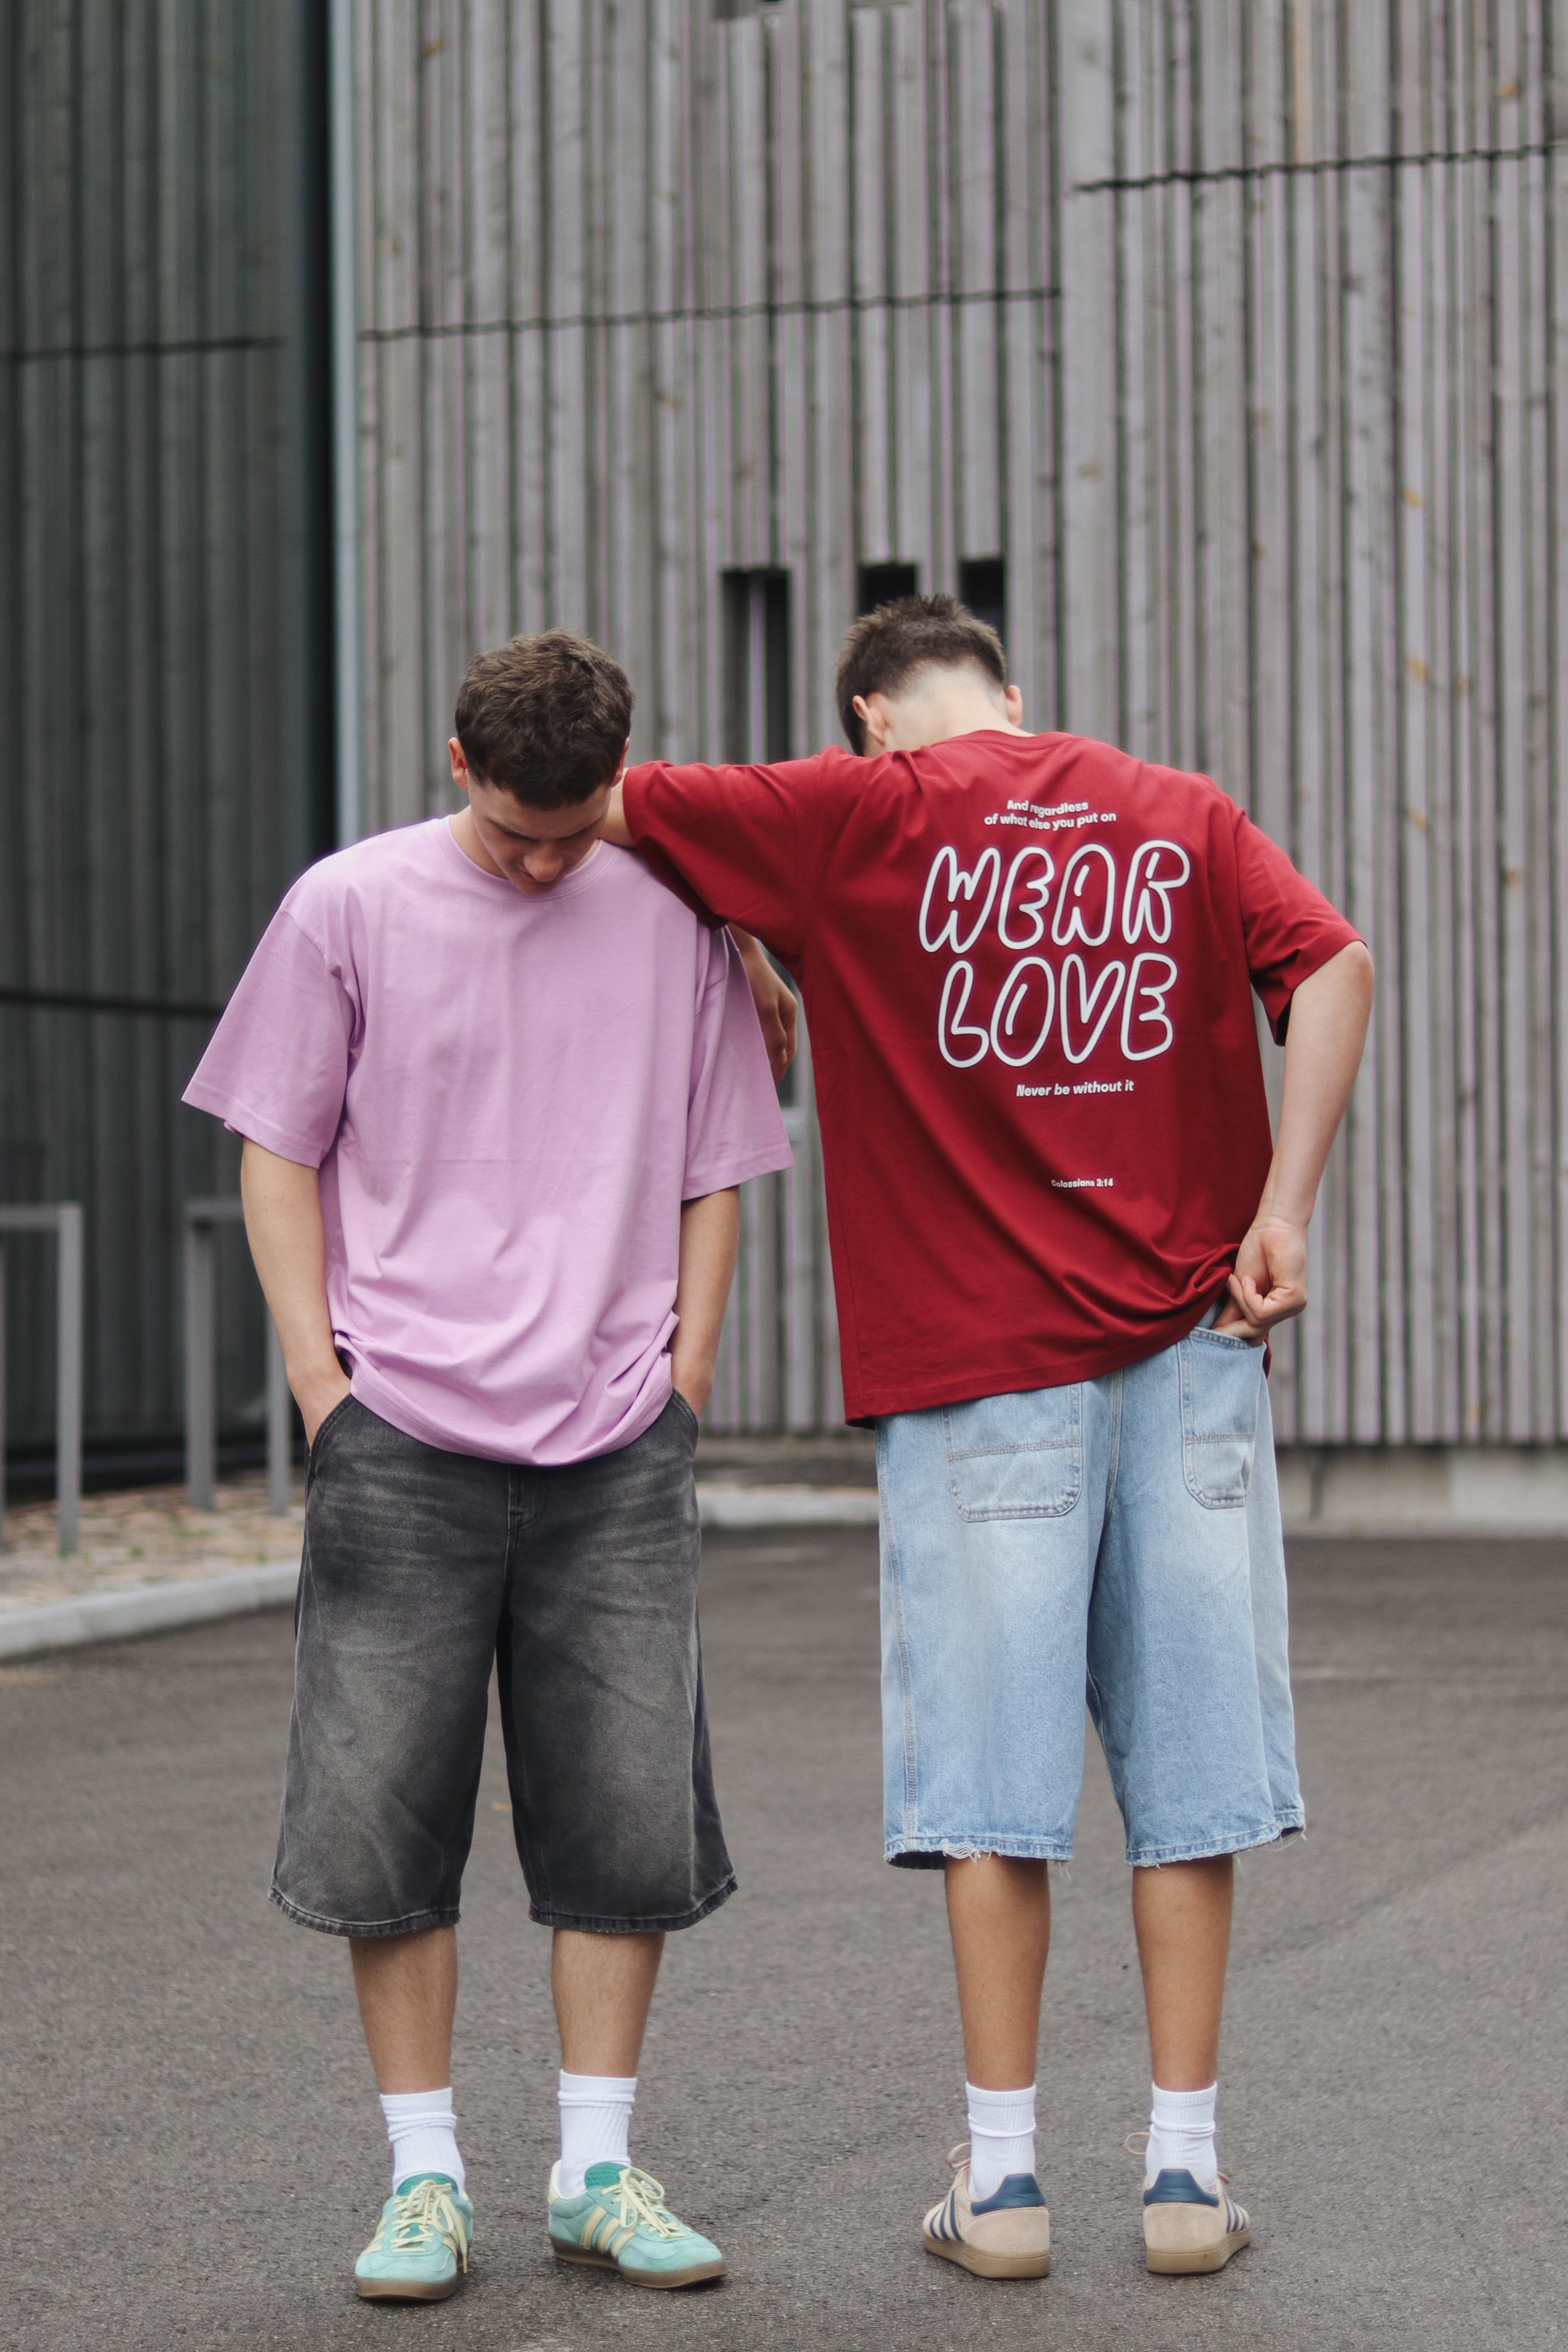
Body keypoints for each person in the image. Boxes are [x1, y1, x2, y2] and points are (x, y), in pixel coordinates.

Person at [603, 592, 1374, 2282]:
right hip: (1192, 1351)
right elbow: (1336, 966)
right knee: (1188, 1783)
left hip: (979, 1379)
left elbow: (599, 790)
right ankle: (1184, 2175)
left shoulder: (844, 814)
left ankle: (1007, 2183)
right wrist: (1285, 1213)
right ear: (1014, 696)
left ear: (870, 715)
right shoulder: (1181, 811)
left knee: (995, 1797)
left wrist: (734, 922)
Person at [183, 630, 791, 2302]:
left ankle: (596, 2166)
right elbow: (276, 1148)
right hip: (403, 1429)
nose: (543, 861)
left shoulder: (672, 915)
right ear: (459, 764)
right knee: (387, 1817)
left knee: (622, 1814)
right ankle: (425, 2180)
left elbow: (718, 1161)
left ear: (618, 779)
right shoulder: (348, 906)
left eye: (575, 826)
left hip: (615, 1432)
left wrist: (687, 1372)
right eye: (516, 829)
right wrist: (322, 1384)